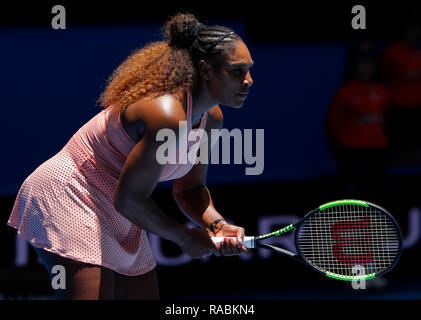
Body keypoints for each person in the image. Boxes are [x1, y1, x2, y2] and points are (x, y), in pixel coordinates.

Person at [7, 13, 254, 300]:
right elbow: (130, 200)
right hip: (70, 192)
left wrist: (217, 224)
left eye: (249, 70)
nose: (249, 80)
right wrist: (186, 238)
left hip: (120, 204)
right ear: (206, 70)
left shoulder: (212, 118)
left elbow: (189, 188)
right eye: (237, 71)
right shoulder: (166, 115)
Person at [325, 42, 390, 202]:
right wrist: (341, 148)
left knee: (377, 194)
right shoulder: (345, 93)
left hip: (378, 149)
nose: (365, 69)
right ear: (354, 66)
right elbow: (333, 124)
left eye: (369, 65)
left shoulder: (384, 91)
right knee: (353, 196)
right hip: (353, 151)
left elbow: (390, 121)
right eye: (362, 65)